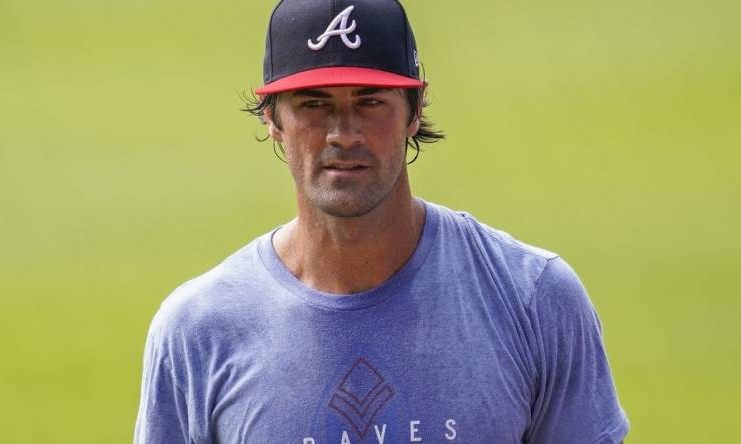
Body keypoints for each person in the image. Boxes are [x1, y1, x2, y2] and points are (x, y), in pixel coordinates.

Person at [134, 1, 630, 443]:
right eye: (313, 104)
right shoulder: (197, 331)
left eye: (369, 101)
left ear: (414, 110)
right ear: (273, 120)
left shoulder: (534, 300)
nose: (343, 133)